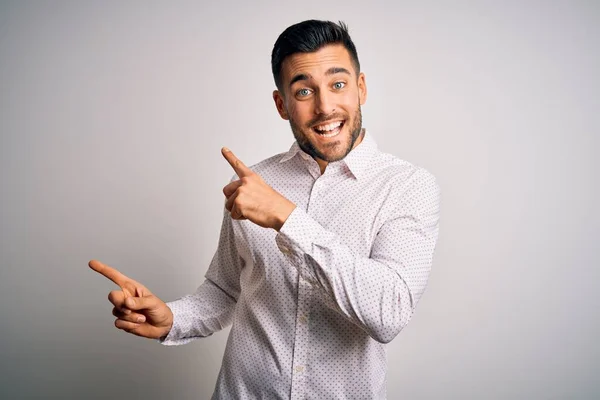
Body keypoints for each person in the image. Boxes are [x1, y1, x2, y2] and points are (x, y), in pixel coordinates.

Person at [90, 19, 440, 399]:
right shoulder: (255, 182)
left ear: (361, 88)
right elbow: (225, 289)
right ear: (282, 105)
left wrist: (287, 219)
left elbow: (388, 315)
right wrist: (172, 319)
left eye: (338, 85)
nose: (325, 107)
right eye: (304, 91)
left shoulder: (409, 187)